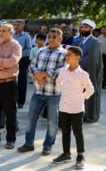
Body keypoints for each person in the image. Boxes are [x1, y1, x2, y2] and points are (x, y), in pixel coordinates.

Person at [18, 28, 67, 156]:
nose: (51, 39)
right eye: (49, 37)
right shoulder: (40, 51)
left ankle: (47, 146)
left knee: (52, 121)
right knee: (31, 119)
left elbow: (62, 71)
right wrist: (37, 75)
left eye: (54, 37)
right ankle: (29, 143)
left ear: (60, 39)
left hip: (54, 94)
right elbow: (31, 66)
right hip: (38, 92)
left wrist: (44, 75)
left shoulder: (64, 54)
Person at [53, 46, 94, 170]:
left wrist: (81, 97)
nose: (66, 57)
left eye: (69, 55)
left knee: (77, 132)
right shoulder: (63, 71)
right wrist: (63, 91)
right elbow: (58, 82)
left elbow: (90, 90)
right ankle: (66, 154)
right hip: (64, 106)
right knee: (65, 131)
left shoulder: (83, 74)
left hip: (76, 108)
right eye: (66, 55)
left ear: (77, 57)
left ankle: (80, 156)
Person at [74, 19, 103, 122]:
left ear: (91, 29)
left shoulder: (95, 42)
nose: (83, 29)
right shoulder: (78, 41)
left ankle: (90, 115)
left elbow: (91, 58)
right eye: (82, 27)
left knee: (90, 93)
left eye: (86, 27)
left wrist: (76, 62)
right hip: (78, 73)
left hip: (90, 72)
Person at [13, 19, 32, 109]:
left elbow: (28, 49)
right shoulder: (11, 35)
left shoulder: (26, 36)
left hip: (22, 60)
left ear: (23, 26)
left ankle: (21, 101)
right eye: (15, 25)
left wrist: (18, 55)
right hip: (11, 60)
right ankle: (13, 99)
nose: (16, 26)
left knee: (22, 81)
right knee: (12, 80)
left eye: (18, 25)